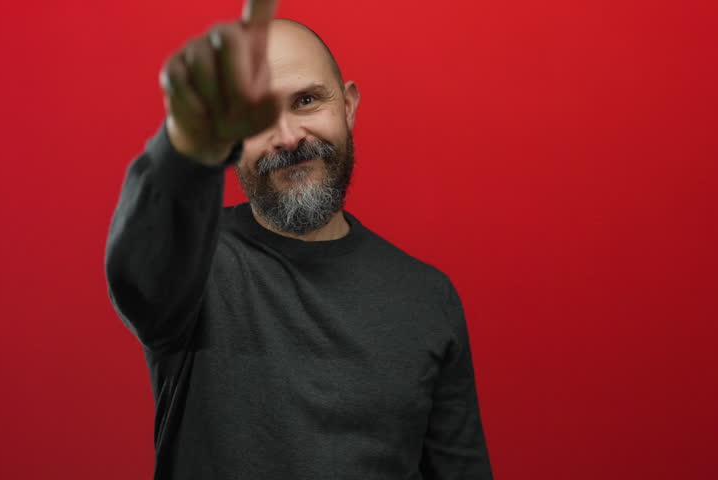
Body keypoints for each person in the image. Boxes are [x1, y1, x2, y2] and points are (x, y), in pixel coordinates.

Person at [104, 1, 494, 478]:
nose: (287, 136)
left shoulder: (429, 297)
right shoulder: (195, 267)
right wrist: (183, 147)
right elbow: (140, 269)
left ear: (348, 106)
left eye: (307, 100)